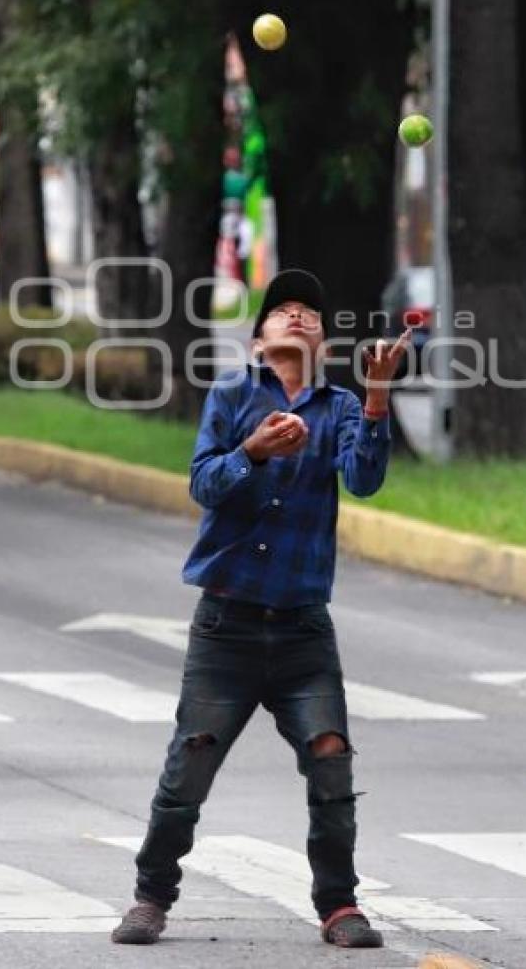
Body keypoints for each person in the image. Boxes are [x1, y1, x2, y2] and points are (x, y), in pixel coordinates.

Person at [112, 268, 410, 950]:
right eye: (285, 309)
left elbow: (363, 479)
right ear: (259, 339)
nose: (299, 315)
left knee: (330, 753)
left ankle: (339, 905)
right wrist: (252, 450)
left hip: (304, 626)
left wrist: (377, 394)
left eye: (311, 311)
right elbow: (204, 484)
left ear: (326, 342)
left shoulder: (337, 405)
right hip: (229, 624)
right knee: (190, 764)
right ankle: (151, 896)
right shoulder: (231, 394)